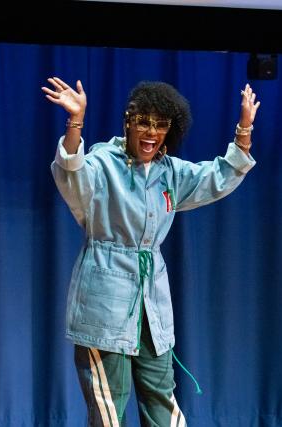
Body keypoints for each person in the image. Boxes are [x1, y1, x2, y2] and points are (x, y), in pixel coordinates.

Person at [41, 76, 260, 426]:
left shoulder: (169, 172)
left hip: (152, 303)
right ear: (128, 121)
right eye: (144, 122)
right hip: (106, 299)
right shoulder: (103, 160)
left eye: (160, 125)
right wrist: (75, 122)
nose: (151, 132)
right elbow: (72, 172)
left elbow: (218, 176)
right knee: (109, 408)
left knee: (162, 397)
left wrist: (243, 130)